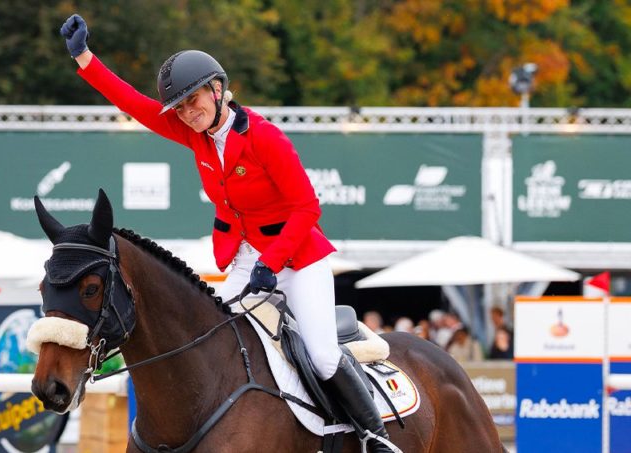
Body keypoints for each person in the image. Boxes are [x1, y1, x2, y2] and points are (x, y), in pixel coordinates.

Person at [60, 14, 394, 451]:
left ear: (217, 90)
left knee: (323, 355)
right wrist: (85, 58)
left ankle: (375, 437)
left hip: (297, 259)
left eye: (192, 99)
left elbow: (307, 207)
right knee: (217, 344)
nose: (186, 112)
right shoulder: (194, 134)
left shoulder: (265, 138)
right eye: (178, 107)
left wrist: (271, 265)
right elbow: (134, 104)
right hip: (244, 260)